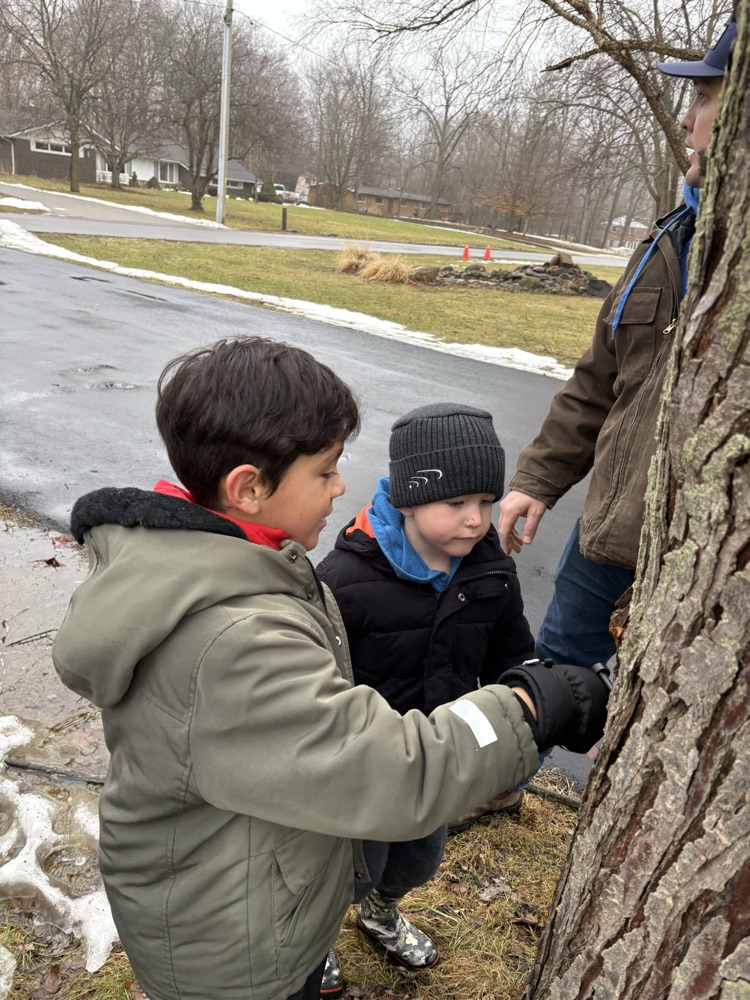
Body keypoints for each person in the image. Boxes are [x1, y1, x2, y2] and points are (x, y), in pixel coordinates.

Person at [52, 336, 609, 1000]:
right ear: (248, 487)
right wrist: (524, 707)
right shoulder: (232, 639)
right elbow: (389, 770)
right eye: (325, 471)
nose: (343, 485)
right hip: (237, 956)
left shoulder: (231, 563)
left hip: (259, 883)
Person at [497, 17, 736, 668]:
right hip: (609, 534)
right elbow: (598, 381)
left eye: (708, 98)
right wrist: (539, 479)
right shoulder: (665, 242)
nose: (688, 121)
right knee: (555, 679)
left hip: (714, 561)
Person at [316, 403, 534, 995]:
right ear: (409, 500)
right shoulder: (344, 580)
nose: (476, 520)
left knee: (417, 858)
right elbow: (316, 679)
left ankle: (381, 912)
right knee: (348, 867)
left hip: (441, 757)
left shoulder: (491, 573)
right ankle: (314, 941)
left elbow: (511, 653)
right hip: (361, 763)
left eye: (487, 503)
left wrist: (529, 695)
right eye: (456, 504)